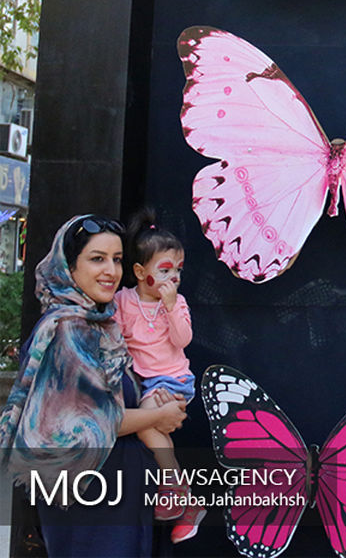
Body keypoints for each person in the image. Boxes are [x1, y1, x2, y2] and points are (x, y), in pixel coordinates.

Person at [0, 215, 188, 557]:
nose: (111, 271)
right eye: (97, 258)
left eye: (116, 260)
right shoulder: (67, 332)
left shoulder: (102, 327)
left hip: (117, 501)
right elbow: (93, 420)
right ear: (69, 267)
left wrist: (152, 411)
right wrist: (157, 416)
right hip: (90, 508)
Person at [112, 209, 205, 542]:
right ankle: (186, 497)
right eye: (164, 270)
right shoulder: (124, 301)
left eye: (178, 271)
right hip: (145, 381)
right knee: (150, 428)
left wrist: (169, 307)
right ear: (139, 272)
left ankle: (176, 487)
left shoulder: (177, 304)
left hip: (174, 379)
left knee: (147, 425)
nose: (173, 279)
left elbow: (183, 340)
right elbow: (117, 338)